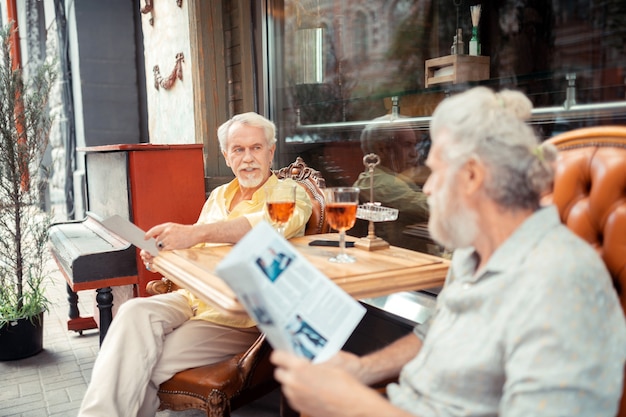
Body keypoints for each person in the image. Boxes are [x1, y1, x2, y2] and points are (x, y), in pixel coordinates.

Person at [271, 87, 626, 417]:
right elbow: (435, 333)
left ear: (472, 175)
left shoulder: (563, 282)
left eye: (436, 172)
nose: (427, 188)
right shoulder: (473, 253)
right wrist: (360, 370)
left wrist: (350, 403)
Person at [78, 112, 312, 417]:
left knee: (138, 365)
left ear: (271, 151)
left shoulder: (289, 194)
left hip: (237, 314)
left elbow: (267, 227)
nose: (248, 158)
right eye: (238, 150)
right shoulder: (218, 196)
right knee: (134, 311)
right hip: (191, 297)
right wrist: (163, 257)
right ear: (227, 157)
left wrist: (194, 232)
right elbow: (195, 251)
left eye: (256, 148)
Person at [352, 115, 432, 252]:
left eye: (415, 145)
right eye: (407, 145)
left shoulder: (388, 178)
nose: (415, 154)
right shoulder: (382, 183)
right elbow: (432, 208)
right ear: (382, 149)